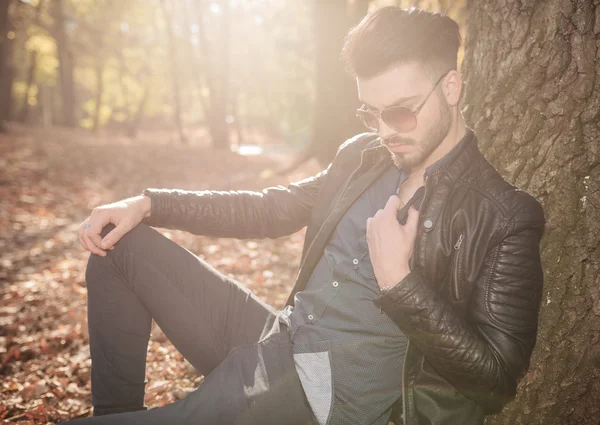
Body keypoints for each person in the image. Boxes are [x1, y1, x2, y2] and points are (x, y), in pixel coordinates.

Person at [64, 6, 545, 425]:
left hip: (322, 396)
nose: (384, 131)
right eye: (369, 114)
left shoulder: (503, 216)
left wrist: (402, 285)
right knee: (117, 246)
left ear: (452, 87)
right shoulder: (364, 155)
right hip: (278, 335)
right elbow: (271, 209)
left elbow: (496, 379)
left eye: (399, 113)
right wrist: (149, 204)